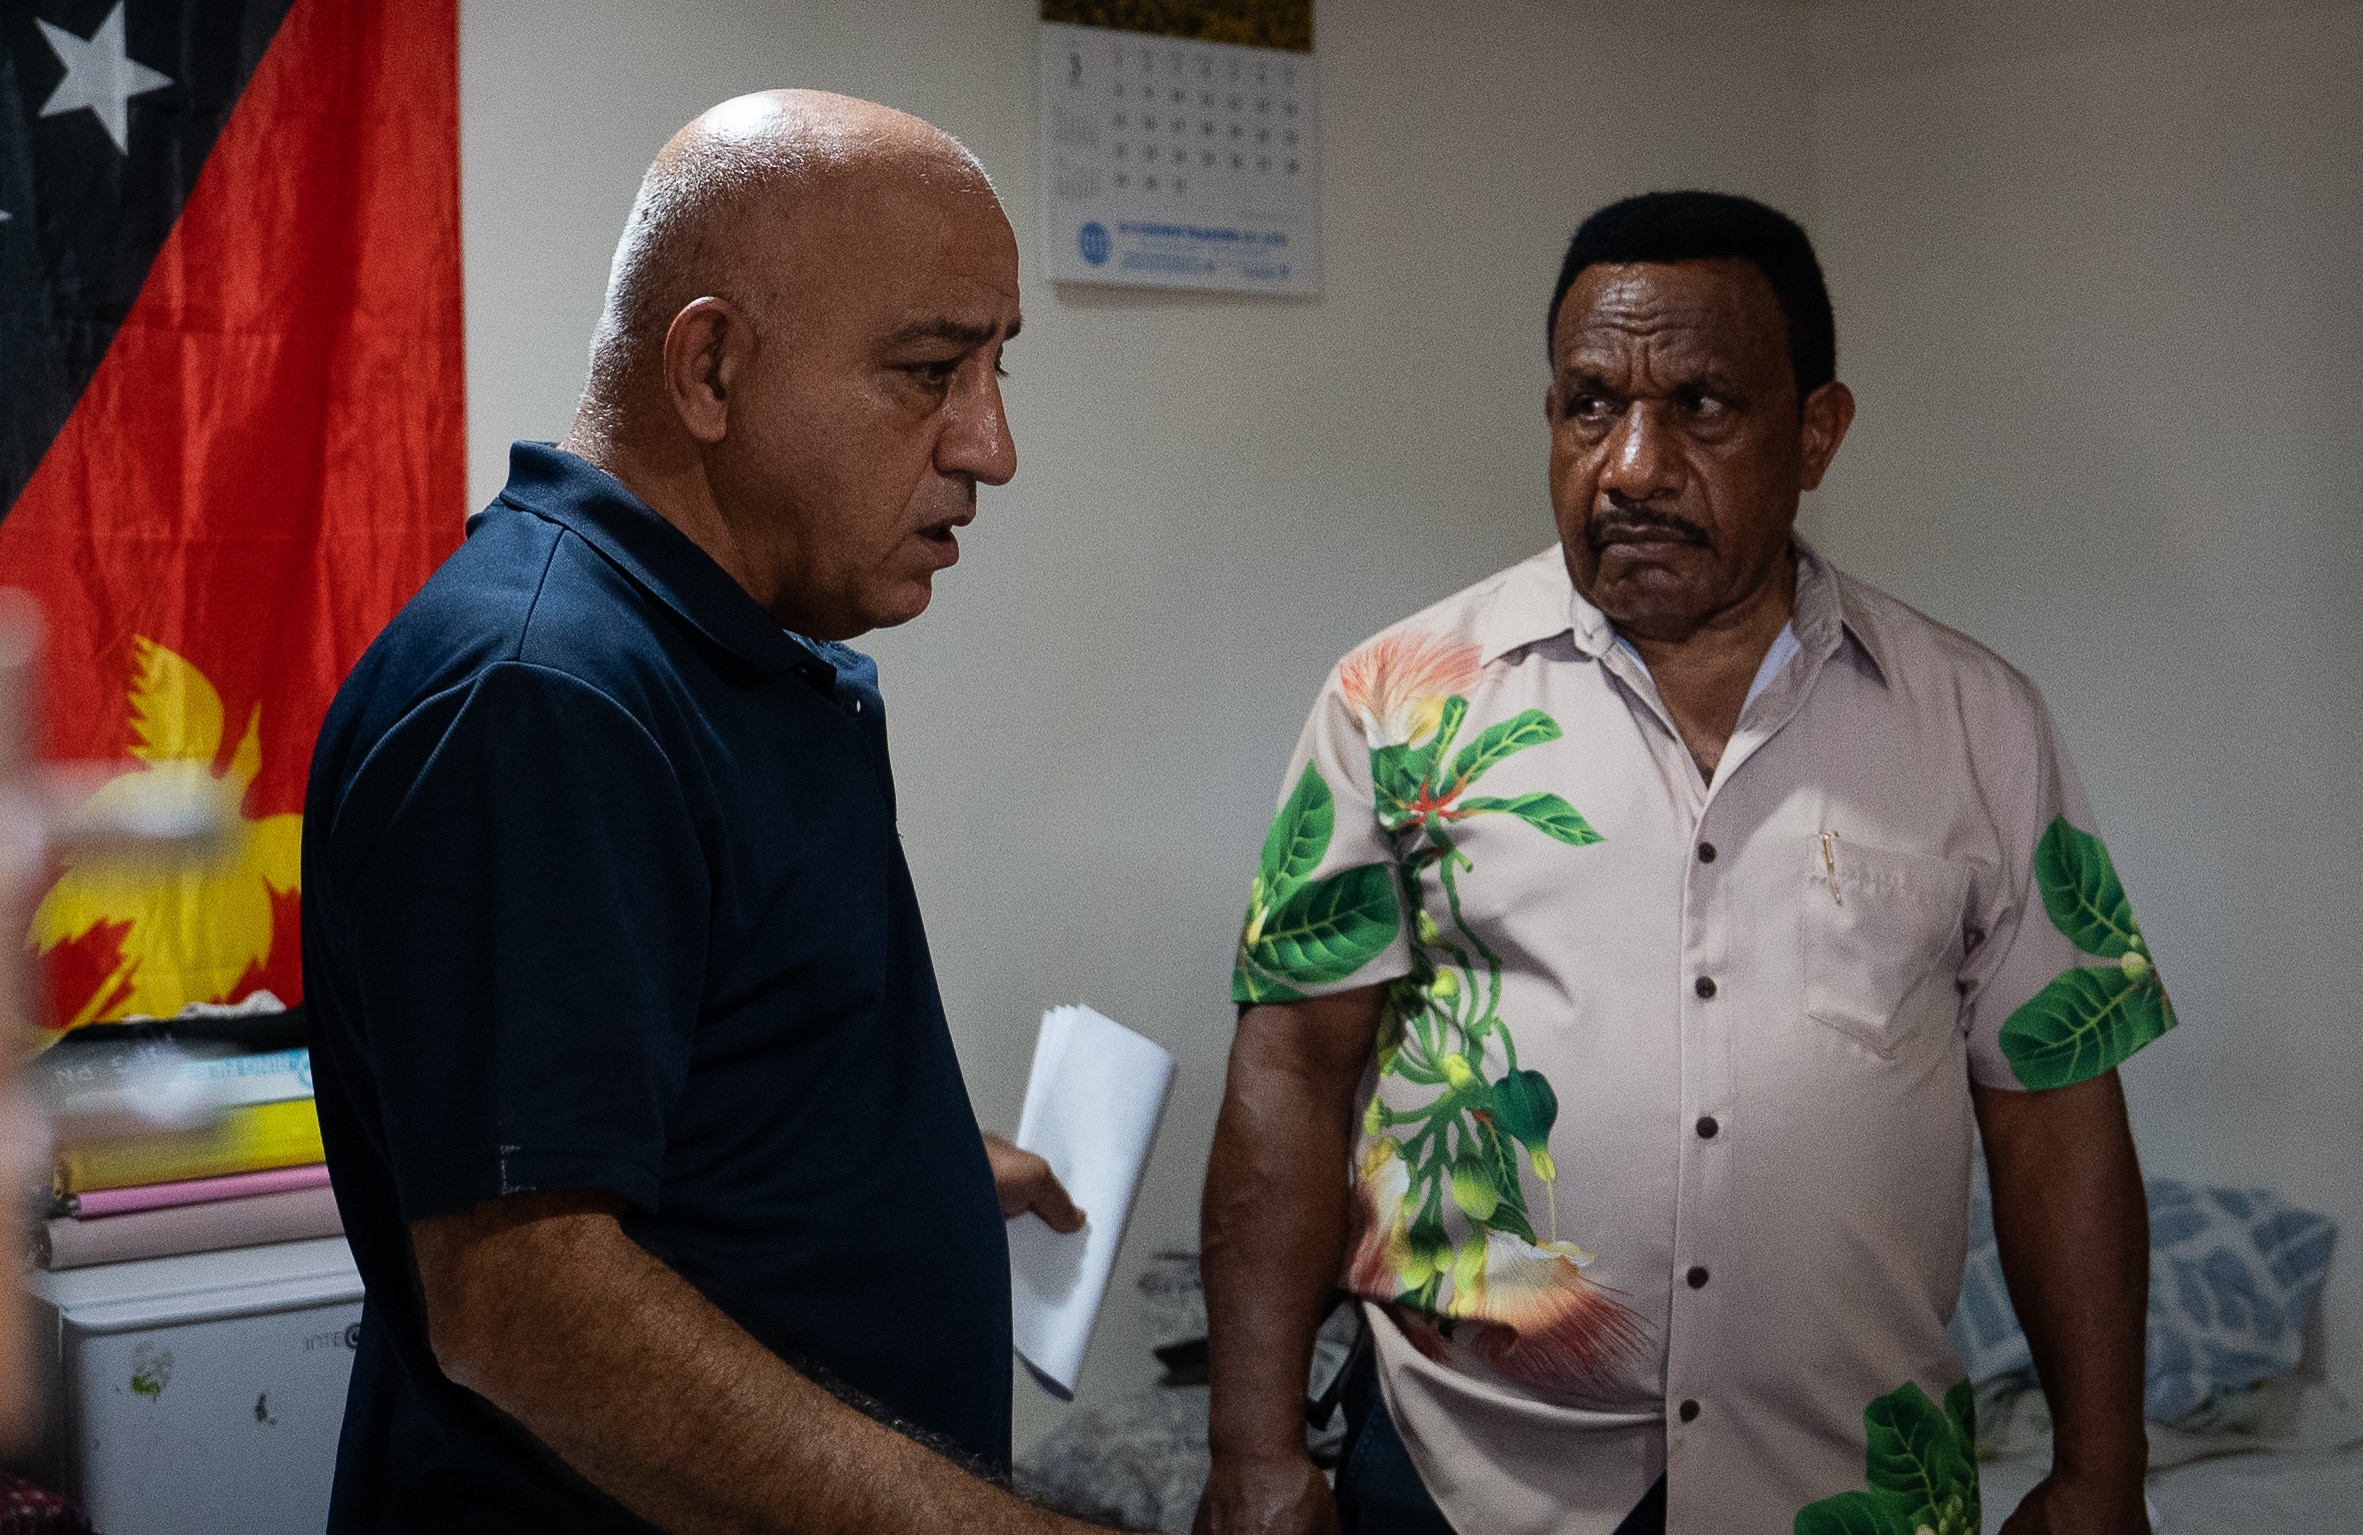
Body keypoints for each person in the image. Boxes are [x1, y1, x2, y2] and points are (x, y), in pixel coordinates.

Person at [1195, 192, 2163, 1535]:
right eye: (1591, 404)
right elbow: (1291, 1073)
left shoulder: (1978, 724)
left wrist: (2101, 1472)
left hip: (1847, 1489)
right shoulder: (1396, 701)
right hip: (1466, 1480)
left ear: (1816, 433)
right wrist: (1252, 1452)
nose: (1633, 464)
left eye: (1702, 406)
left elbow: (2056, 1112)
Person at [303, 92, 1112, 1534]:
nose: (991, 446)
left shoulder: (720, 643)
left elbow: (653, 1073)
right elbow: (525, 1307)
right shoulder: (543, 696)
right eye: (930, 370)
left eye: (996, 366)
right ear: (711, 367)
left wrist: (879, 1171)